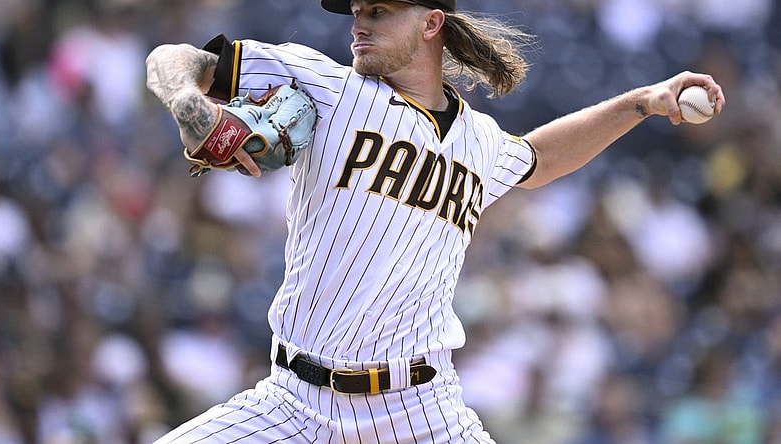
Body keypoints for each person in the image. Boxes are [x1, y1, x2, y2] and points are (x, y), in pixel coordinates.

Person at [145, 0, 726, 442]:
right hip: (292, 403)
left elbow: (542, 157)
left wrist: (643, 102)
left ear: (430, 23)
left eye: (379, 11)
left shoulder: (479, 141)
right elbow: (170, 60)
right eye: (355, 11)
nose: (358, 24)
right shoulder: (325, 86)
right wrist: (190, 106)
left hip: (421, 413)